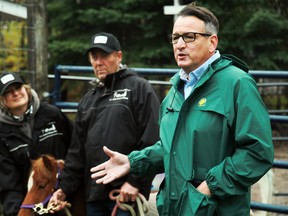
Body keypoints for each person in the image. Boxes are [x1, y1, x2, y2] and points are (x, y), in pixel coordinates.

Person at [91, 3, 274, 216]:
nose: (179, 44)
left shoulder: (237, 83)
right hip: (175, 208)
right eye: (175, 37)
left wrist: (210, 187)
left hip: (215, 210)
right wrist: (133, 161)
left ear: (212, 42)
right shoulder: (177, 89)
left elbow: (258, 152)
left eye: (189, 37)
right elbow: (170, 148)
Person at [49, 32, 160, 215]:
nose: (98, 62)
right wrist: (63, 189)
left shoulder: (139, 88)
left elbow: (152, 139)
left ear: (118, 56)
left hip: (125, 196)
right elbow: (77, 152)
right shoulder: (87, 100)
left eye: (105, 56)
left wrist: (135, 182)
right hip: (94, 197)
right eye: (94, 57)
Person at [0, 72, 74, 215]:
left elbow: (75, 149)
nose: (16, 93)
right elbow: (8, 182)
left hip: (64, 197)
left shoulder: (53, 114)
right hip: (31, 205)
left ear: (26, 89)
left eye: (18, 88)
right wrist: (18, 213)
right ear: (3, 99)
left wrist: (67, 188)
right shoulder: (2, 134)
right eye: (9, 92)